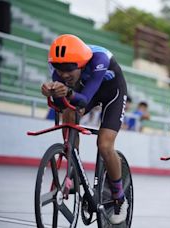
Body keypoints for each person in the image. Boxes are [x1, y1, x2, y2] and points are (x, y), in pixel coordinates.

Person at [41, 34, 129, 224]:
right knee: (68, 112)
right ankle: (73, 164)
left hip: (111, 92)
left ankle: (119, 197)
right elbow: (61, 103)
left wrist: (68, 92)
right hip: (83, 90)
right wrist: (50, 92)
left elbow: (85, 99)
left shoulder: (100, 59)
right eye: (60, 69)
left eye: (70, 70)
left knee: (105, 145)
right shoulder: (57, 65)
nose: (64, 75)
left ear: (81, 64)